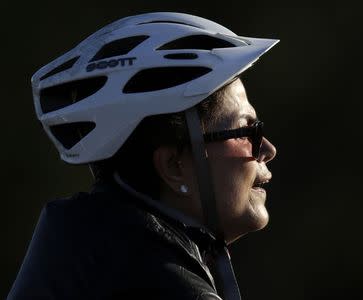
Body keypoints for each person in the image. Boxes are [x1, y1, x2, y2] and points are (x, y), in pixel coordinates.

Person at [8, 12, 278, 300]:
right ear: (174, 166)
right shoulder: (152, 281)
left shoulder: (86, 251)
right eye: (246, 131)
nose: (267, 150)